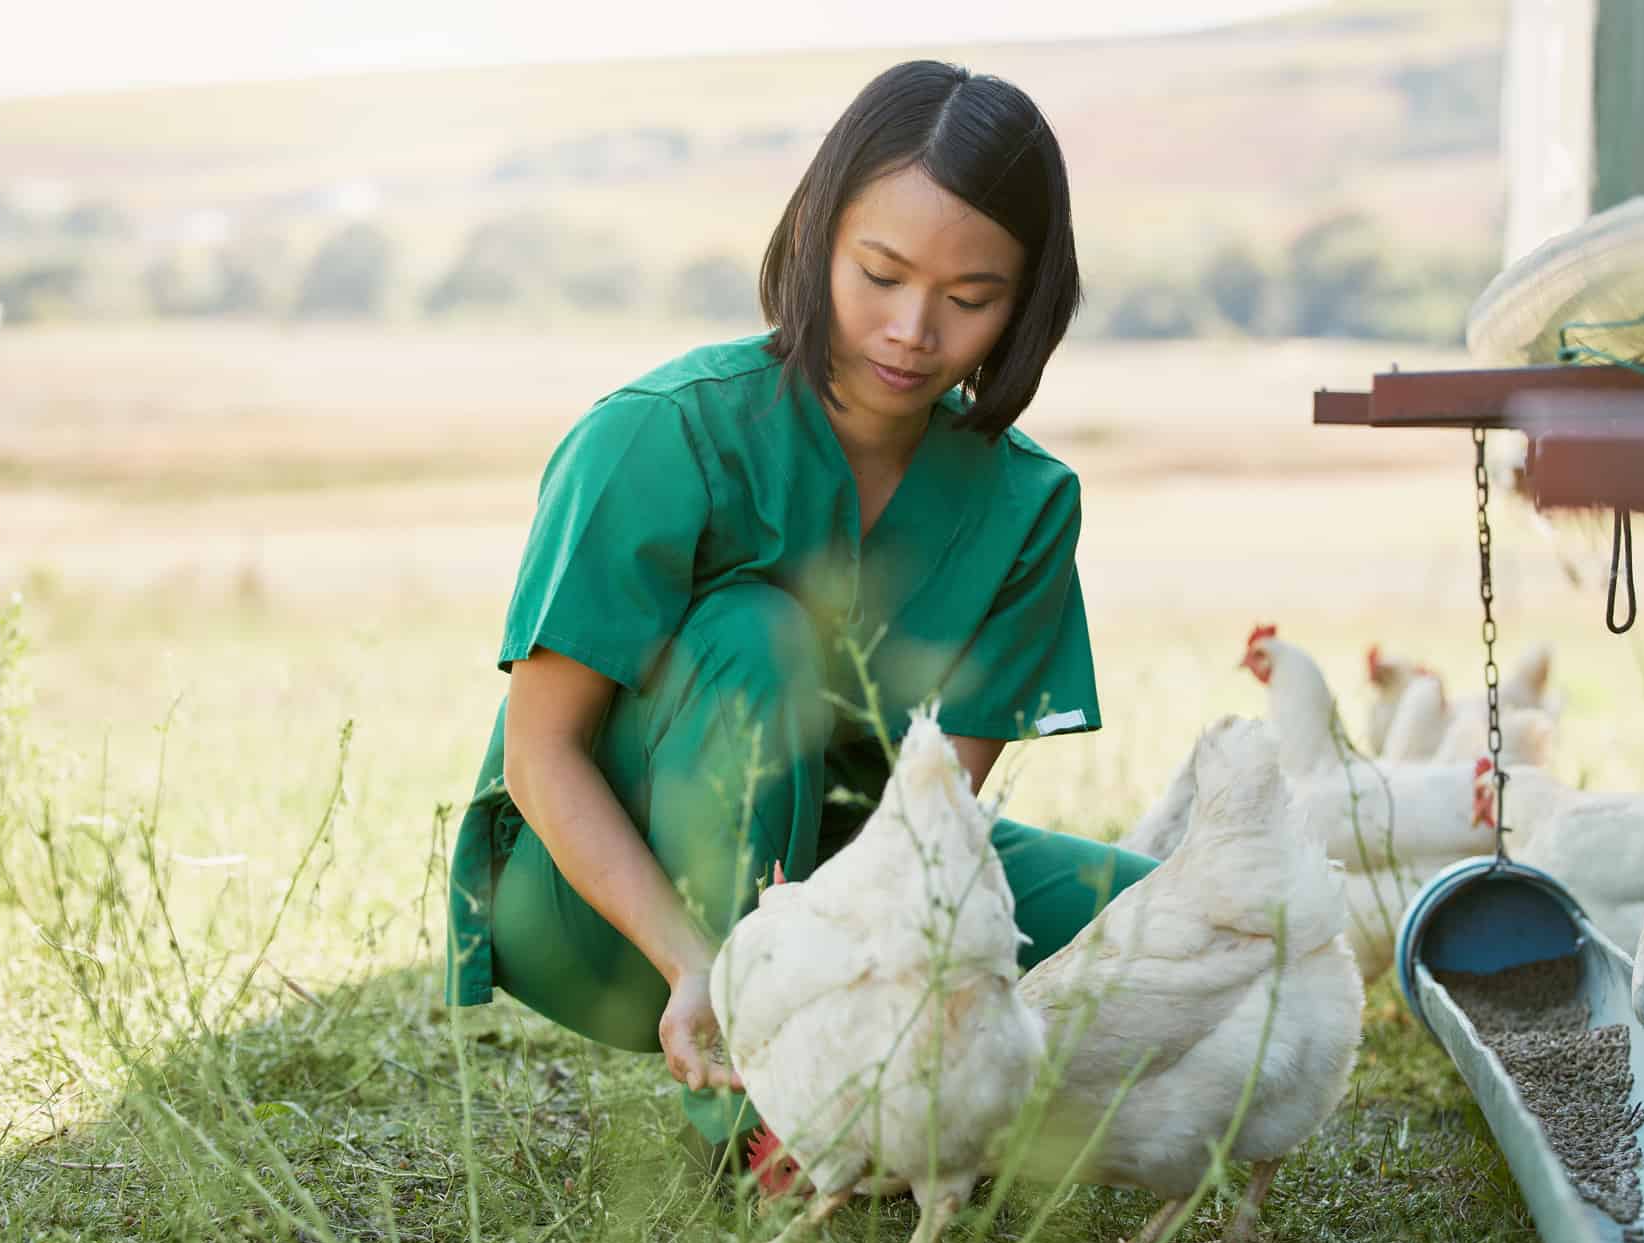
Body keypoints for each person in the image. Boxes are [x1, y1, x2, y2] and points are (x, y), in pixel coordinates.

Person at [445, 58, 1157, 1171]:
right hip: (606, 903)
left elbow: (929, 829)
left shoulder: (1027, 503)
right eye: (878, 273)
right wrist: (700, 964)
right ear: (817, 237)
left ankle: (933, 1096)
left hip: (846, 878)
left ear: (1026, 303)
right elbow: (540, 754)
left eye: (971, 299)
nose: (913, 329)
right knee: (753, 635)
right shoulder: (655, 435)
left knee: (1159, 922)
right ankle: (771, 1110)